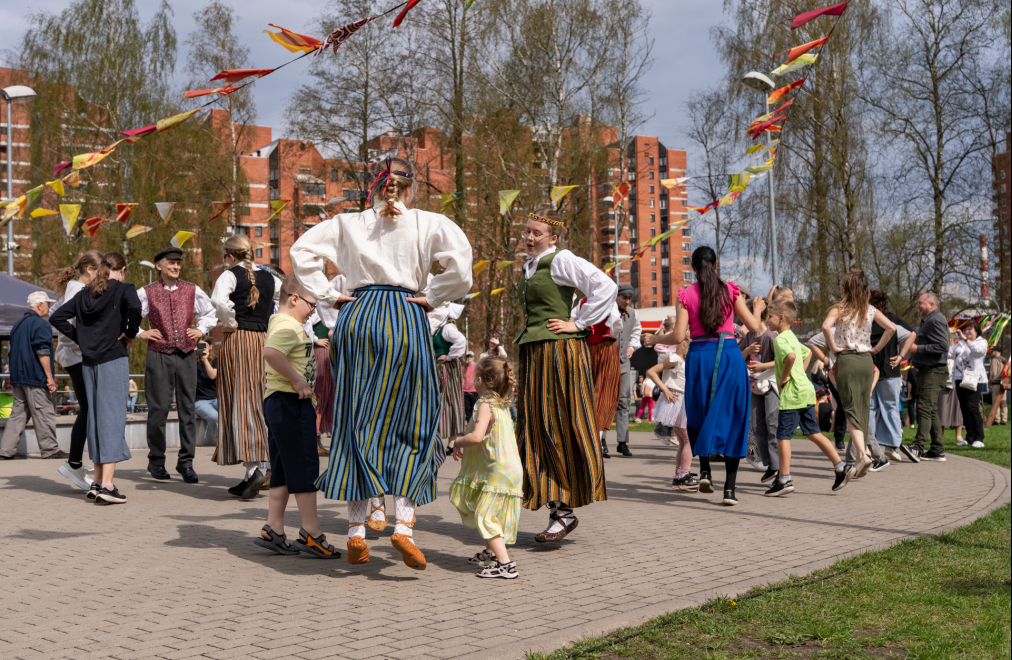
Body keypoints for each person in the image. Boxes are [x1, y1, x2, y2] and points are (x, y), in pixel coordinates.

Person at [290, 156, 472, 569]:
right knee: (413, 419)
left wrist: (328, 294)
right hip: (406, 314)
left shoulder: (347, 223)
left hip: (359, 315)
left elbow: (301, 251)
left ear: (373, 187)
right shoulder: (428, 222)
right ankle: (403, 527)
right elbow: (462, 268)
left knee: (357, 419)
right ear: (411, 188)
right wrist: (435, 296)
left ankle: (357, 530)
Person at [513, 211, 616, 541]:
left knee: (558, 423)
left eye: (537, 233)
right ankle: (558, 510)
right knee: (537, 427)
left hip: (559, 352)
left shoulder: (560, 260)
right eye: (527, 232)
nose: (530, 238)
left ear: (553, 238)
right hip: (535, 352)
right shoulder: (529, 267)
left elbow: (606, 286)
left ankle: (564, 512)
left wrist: (579, 323)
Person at [644, 246, 764, 505]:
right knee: (734, 418)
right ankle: (729, 491)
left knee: (699, 413)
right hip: (729, 354)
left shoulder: (685, 294)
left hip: (699, 356)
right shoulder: (731, 291)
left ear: (693, 267)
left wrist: (654, 339)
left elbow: (678, 336)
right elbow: (755, 327)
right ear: (716, 264)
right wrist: (757, 308)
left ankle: (706, 471)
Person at [254, 278, 341, 558]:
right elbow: (270, 353)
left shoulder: (282, 323)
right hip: (290, 402)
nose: (313, 311)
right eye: (311, 305)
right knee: (304, 466)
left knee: (283, 467)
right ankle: (312, 533)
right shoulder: (287, 325)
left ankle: (274, 527)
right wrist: (297, 381)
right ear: (294, 299)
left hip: (281, 402)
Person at [50, 252, 142, 504]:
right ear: (121, 269)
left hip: (89, 363)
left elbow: (56, 317)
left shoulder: (83, 294)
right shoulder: (123, 289)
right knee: (112, 419)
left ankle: (98, 482)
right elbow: (136, 309)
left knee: (96, 420)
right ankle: (107, 486)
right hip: (112, 358)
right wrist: (130, 332)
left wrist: (82, 338)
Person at [135, 246, 216, 483]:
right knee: (158, 409)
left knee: (187, 409)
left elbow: (210, 311)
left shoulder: (192, 289)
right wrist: (141, 332)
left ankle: (186, 462)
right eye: (171, 262)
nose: (176, 266)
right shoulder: (146, 292)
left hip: (187, 354)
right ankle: (156, 461)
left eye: (178, 263)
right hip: (158, 354)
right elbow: (126, 315)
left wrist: (200, 329)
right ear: (159, 266)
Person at [210, 234, 283, 498]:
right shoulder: (270, 277)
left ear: (229, 255)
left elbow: (219, 302)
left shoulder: (229, 275)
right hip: (263, 341)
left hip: (239, 340)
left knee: (241, 401)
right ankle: (256, 470)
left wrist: (230, 322)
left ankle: (253, 471)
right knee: (259, 400)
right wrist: (273, 323)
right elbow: (286, 298)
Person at [765, 300, 851, 496]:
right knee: (813, 433)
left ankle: (784, 480)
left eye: (769, 317)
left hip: (792, 395)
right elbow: (807, 353)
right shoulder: (792, 337)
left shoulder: (780, 339)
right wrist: (800, 375)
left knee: (783, 437)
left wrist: (785, 377)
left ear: (781, 318)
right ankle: (840, 467)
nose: (767, 320)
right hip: (806, 391)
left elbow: (791, 357)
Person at [449, 356, 523, 579]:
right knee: (492, 512)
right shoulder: (501, 405)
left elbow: (476, 437)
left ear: (479, 380)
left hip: (498, 471)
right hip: (508, 469)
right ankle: (490, 553)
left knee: (485, 516)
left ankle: (506, 565)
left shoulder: (485, 404)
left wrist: (456, 442)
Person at [821, 271, 896, 479]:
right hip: (866, 361)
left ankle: (862, 455)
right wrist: (876, 349)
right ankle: (860, 458)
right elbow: (891, 328)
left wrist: (833, 347)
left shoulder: (839, 309)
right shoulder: (870, 310)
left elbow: (825, 326)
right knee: (862, 411)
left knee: (850, 411)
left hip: (847, 360)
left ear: (846, 288)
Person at [45, 251, 102, 485]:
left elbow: (53, 312)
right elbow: (61, 319)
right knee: (88, 409)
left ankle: (75, 462)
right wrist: (79, 341)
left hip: (74, 356)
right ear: (90, 269)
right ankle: (74, 463)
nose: (104, 276)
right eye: (101, 271)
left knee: (88, 409)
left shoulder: (75, 288)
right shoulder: (78, 290)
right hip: (76, 357)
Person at [0, 291, 68, 462]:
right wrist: (49, 377)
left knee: (18, 414)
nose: (49, 308)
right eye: (47, 304)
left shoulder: (18, 324)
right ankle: (50, 449)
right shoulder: (40, 324)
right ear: (39, 305)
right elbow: (42, 351)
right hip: (35, 376)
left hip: (18, 377)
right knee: (43, 412)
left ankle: (5, 450)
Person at [894, 293, 951, 463]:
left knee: (924, 408)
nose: (917, 306)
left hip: (934, 371)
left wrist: (918, 349)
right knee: (931, 410)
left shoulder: (936, 320)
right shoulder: (929, 320)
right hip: (928, 370)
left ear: (932, 304)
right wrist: (915, 358)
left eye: (921, 303)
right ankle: (937, 450)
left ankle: (917, 447)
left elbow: (943, 346)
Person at [863, 290, 912, 470]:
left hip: (870, 369)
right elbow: (912, 335)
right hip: (890, 369)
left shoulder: (866, 320)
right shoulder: (892, 320)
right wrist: (901, 356)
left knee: (870, 408)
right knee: (890, 407)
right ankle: (891, 445)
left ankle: (868, 446)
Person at [647, 338, 695, 490]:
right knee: (689, 440)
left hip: (681, 402)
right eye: (691, 346)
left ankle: (679, 476)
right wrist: (665, 389)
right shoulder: (674, 359)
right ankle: (684, 475)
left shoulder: (682, 361)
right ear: (684, 344)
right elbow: (651, 371)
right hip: (676, 402)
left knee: (683, 441)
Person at [308, 273, 346, 456]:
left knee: (328, 396)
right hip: (321, 353)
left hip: (331, 352)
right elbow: (306, 324)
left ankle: (318, 438)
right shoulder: (318, 305)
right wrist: (316, 339)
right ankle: (314, 439)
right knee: (319, 395)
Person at [743, 300, 780, 483]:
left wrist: (763, 366)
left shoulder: (772, 337)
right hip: (754, 386)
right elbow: (738, 356)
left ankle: (777, 466)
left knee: (772, 425)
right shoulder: (749, 336)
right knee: (758, 426)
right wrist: (747, 350)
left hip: (771, 385)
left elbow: (783, 360)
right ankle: (768, 464)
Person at [581, 297, 622, 458]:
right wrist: (612, 333)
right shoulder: (608, 298)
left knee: (587, 392)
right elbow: (616, 322)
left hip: (586, 346)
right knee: (605, 393)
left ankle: (586, 438)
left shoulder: (582, 301)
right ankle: (596, 441)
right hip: (606, 345)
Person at [430, 302, 467, 455]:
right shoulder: (435, 328)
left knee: (451, 401)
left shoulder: (447, 328)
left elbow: (461, 341)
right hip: (436, 367)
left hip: (447, 368)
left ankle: (452, 442)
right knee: (436, 402)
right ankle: (437, 440)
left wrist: (449, 356)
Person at [612, 285, 642, 457]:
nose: (627, 301)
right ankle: (601, 440)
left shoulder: (632, 313)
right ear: (616, 296)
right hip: (606, 362)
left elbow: (637, 331)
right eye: (624, 298)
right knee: (605, 401)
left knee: (623, 401)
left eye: (630, 298)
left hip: (623, 362)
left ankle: (622, 442)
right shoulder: (607, 309)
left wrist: (632, 346)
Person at [950, 321, 988, 449]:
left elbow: (977, 352)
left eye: (970, 329)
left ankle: (979, 438)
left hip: (974, 378)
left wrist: (965, 339)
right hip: (960, 378)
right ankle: (970, 437)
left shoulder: (981, 342)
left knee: (973, 407)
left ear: (977, 331)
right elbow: (949, 353)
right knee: (964, 408)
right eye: (966, 329)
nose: (967, 331)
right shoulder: (960, 343)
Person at [194, 342, 219, 454]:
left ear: (210, 346)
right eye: (199, 346)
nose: (202, 349)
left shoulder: (215, 360)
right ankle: (218, 440)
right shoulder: (192, 361)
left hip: (215, 398)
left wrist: (205, 360)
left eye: (205, 346)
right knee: (215, 416)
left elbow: (212, 375)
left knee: (230, 413)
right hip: (199, 401)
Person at [988, 348, 1008, 426]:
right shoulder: (1004, 361)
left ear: (996, 351)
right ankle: (1004, 419)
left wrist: (990, 381)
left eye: (992, 351)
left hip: (996, 383)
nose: (991, 353)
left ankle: (997, 420)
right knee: (1003, 402)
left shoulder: (994, 360)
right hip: (1003, 383)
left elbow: (993, 373)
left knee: (995, 402)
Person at [462, 352, 479, 424]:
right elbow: (462, 378)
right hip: (465, 391)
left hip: (474, 391)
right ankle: (469, 423)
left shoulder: (476, 366)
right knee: (467, 409)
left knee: (475, 408)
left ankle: (476, 423)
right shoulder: (464, 367)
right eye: (467, 356)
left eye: (470, 356)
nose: (469, 358)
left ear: (473, 358)